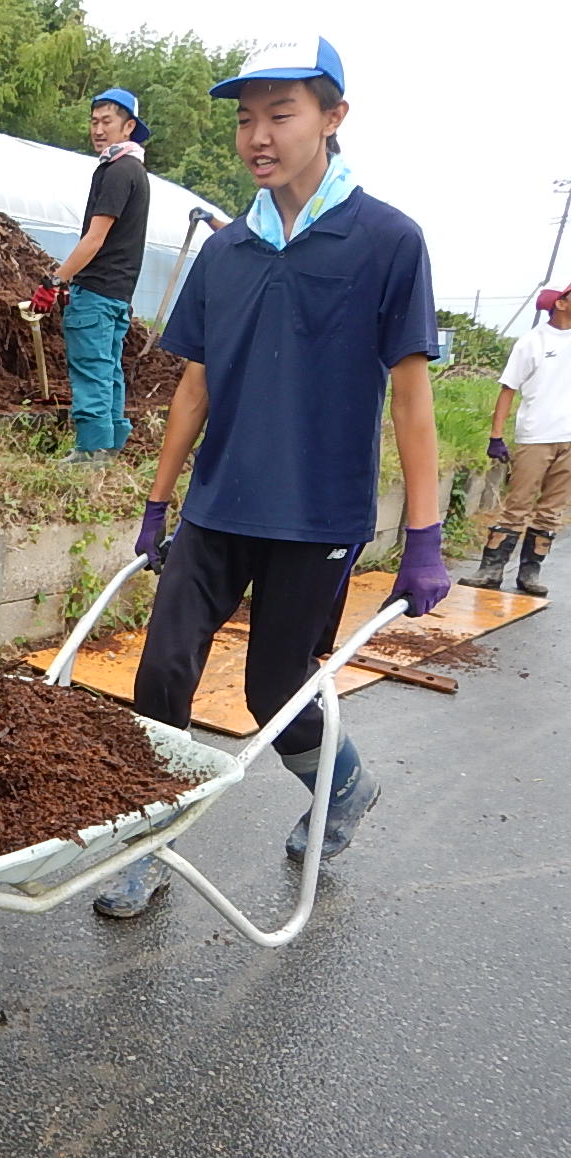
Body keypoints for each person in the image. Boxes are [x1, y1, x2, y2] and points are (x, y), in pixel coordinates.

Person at [91, 35, 450, 918]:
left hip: (319, 515)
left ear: (332, 119)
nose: (259, 135)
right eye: (246, 118)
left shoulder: (388, 242)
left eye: (281, 114)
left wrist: (425, 539)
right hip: (219, 502)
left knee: (271, 690)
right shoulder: (227, 252)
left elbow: (411, 400)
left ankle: (348, 787)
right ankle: (149, 844)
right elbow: (195, 384)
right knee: (162, 670)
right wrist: (157, 498)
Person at [30, 88, 152, 466]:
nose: (98, 129)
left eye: (107, 122)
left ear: (129, 126)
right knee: (109, 368)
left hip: (97, 292)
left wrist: (55, 280)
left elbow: (95, 238)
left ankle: (90, 451)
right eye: (94, 121)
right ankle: (110, 445)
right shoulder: (136, 171)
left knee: (91, 368)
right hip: (118, 294)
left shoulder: (117, 171)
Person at [456, 283, 571, 596]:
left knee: (551, 510)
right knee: (516, 505)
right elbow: (508, 389)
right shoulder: (532, 342)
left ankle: (529, 574)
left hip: (569, 439)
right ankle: (491, 570)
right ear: (560, 303)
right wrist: (496, 436)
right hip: (536, 436)